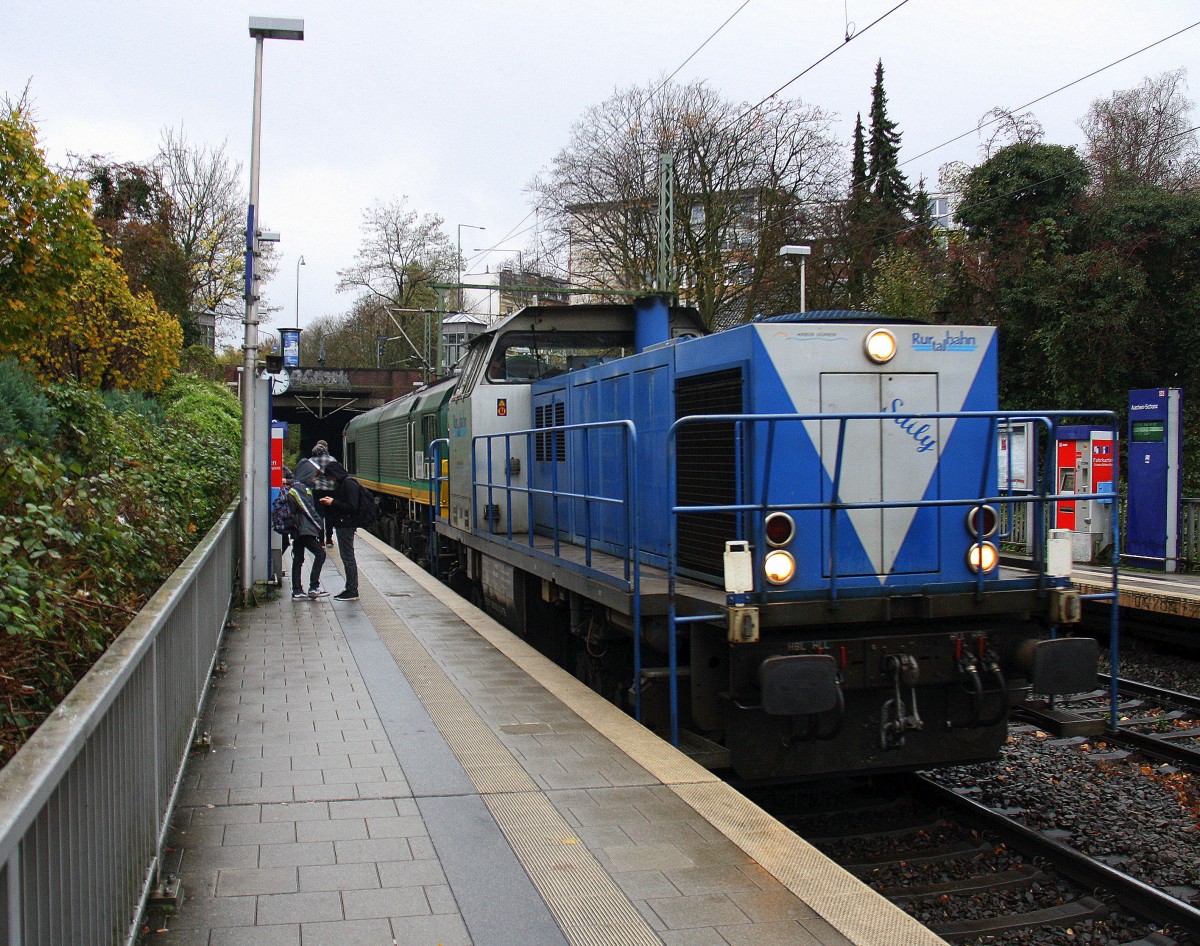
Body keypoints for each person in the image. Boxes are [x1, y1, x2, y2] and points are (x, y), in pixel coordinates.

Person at [318, 461, 365, 601]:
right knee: (346, 557)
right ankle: (350, 588)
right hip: (343, 524)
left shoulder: (348, 484)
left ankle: (352, 589)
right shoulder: (344, 483)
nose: (331, 479)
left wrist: (333, 502)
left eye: (330, 476)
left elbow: (352, 506)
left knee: (347, 557)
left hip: (346, 525)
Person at [288, 462, 328, 600]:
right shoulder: (299, 489)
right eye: (314, 476)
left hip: (299, 528)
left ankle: (297, 590)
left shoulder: (300, 487)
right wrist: (319, 525)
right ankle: (313, 587)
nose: (314, 479)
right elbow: (307, 509)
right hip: (304, 529)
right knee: (320, 554)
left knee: (298, 558)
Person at [310, 440, 339, 547]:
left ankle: (320, 540)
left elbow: (309, 475)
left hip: (317, 490)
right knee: (330, 514)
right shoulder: (332, 459)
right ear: (326, 448)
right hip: (330, 490)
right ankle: (329, 539)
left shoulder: (311, 460)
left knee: (319, 514)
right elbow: (337, 473)